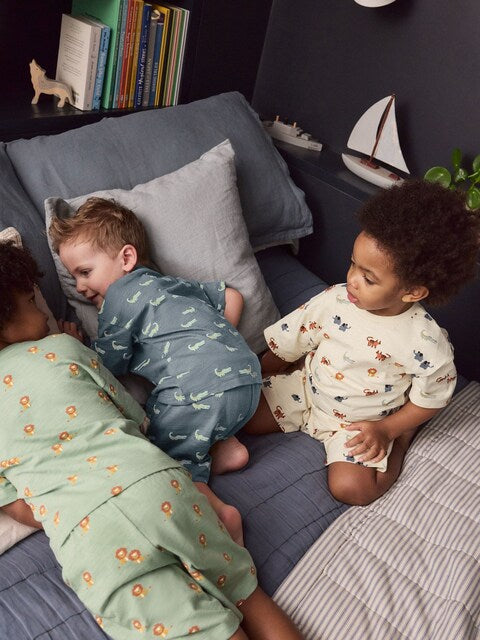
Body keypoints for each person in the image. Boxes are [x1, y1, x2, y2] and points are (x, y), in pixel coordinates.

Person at [0, 241, 303, 640]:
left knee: (199, 630)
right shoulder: (61, 348)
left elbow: (20, 508)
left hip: (92, 535)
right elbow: (134, 418)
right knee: (248, 596)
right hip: (160, 488)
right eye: (31, 303)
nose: (43, 313)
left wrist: (65, 502)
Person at [244, 179, 480, 506]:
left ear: (412, 292)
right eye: (353, 263)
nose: (352, 279)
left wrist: (389, 429)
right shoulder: (335, 299)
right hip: (307, 390)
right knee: (241, 412)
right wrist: (258, 375)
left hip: (360, 424)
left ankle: (401, 442)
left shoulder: (425, 342)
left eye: (368, 278)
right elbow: (290, 340)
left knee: (353, 490)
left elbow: (433, 397)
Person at [49, 197, 261, 545]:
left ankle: (220, 513)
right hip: (248, 378)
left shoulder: (119, 299)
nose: (81, 287)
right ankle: (226, 447)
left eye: (85, 272)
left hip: (194, 391)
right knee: (198, 417)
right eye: (74, 279)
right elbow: (233, 297)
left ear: (126, 258)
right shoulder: (172, 285)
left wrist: (74, 344)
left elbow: (106, 366)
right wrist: (217, 351)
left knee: (161, 458)